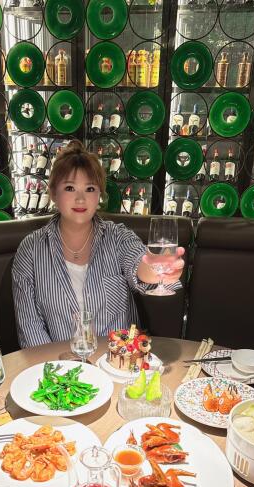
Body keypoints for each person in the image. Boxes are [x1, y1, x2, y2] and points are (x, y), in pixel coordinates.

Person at [12, 140, 185, 348]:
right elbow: (29, 326)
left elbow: (139, 263)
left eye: (90, 189)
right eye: (70, 188)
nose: (80, 199)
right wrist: (58, 366)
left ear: (99, 195)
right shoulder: (31, 250)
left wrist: (159, 269)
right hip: (61, 364)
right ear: (54, 194)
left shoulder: (117, 237)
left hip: (118, 360)